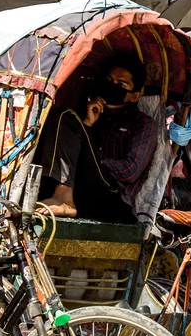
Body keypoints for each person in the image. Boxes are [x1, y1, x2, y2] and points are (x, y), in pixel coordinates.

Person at [36, 56, 158, 222]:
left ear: (135, 95)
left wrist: (94, 161)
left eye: (121, 84)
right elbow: (72, 156)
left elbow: (130, 170)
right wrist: (87, 124)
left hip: (113, 197)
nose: (112, 86)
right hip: (83, 189)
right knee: (62, 116)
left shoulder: (142, 124)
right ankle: (59, 195)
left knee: (67, 116)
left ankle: (64, 197)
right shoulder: (93, 113)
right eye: (109, 81)